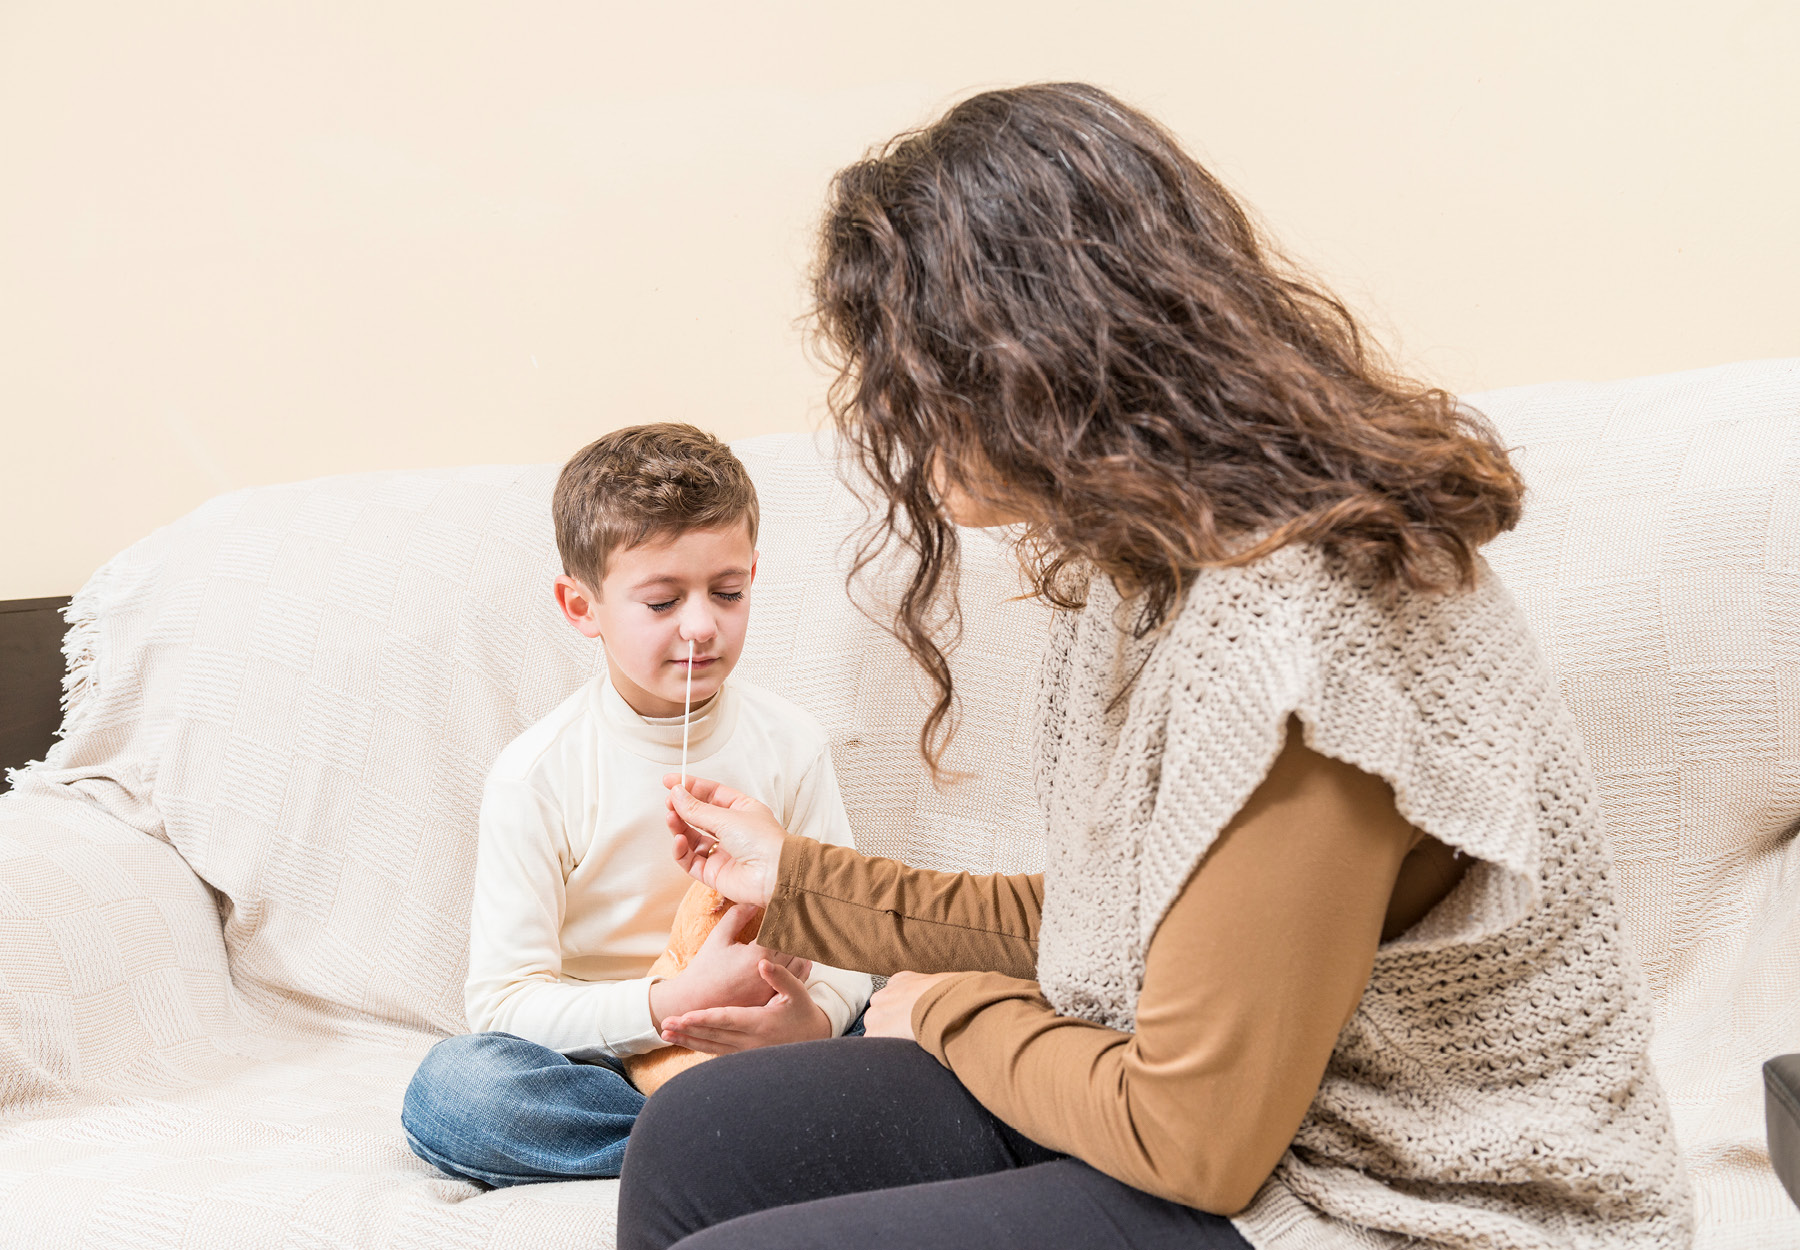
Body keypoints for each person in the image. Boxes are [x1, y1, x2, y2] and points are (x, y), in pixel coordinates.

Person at [615, 84, 1693, 1249]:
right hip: (1255, 1140)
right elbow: (1124, 928)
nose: (882, 408)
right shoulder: (1152, 569)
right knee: (699, 1139)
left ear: (1029, 354)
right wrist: (804, 881)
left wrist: (935, 1010)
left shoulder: (1303, 644)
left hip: (1400, 1204)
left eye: (903, 365)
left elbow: (1195, 1136)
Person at [401, 424, 872, 1187]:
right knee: (457, 1090)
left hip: (768, 1046)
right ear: (580, 606)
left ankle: (723, 1140)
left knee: (914, 1012)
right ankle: (741, 1148)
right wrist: (673, 1003)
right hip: (611, 1063)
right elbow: (504, 1003)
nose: (701, 625)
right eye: (661, 601)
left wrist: (808, 1021)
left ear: (754, 574)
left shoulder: (791, 743)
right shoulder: (538, 775)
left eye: (727, 592)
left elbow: (847, 936)